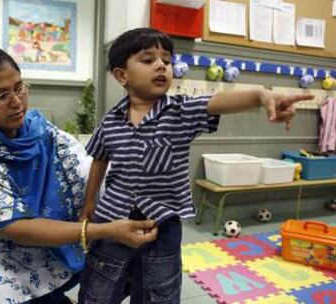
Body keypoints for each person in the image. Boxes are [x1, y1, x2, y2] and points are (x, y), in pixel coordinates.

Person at [77, 28, 314, 303]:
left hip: (162, 226)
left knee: (158, 292)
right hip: (112, 221)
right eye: (147, 59)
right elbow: (99, 159)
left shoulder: (180, 111)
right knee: (100, 290)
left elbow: (219, 102)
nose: (160, 66)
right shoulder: (110, 121)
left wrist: (262, 96)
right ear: (122, 76)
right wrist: (89, 202)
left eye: (166, 60)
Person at [0, 45, 158, 304]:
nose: (17, 102)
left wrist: (137, 185)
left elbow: (81, 168)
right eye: (1, 95)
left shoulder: (39, 131)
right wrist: (104, 230)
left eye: (19, 87)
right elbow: (15, 228)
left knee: (127, 262)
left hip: (41, 245)